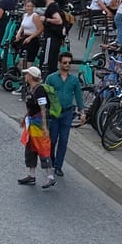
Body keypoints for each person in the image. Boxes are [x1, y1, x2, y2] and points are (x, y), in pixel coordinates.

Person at [44, 52, 80, 185]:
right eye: (65, 62)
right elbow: (44, 94)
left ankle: (58, 166)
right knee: (52, 139)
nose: (67, 65)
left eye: (69, 63)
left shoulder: (74, 80)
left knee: (64, 140)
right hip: (54, 113)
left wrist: (82, 112)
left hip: (67, 113)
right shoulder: (51, 78)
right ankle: (51, 159)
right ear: (60, 63)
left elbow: (78, 95)